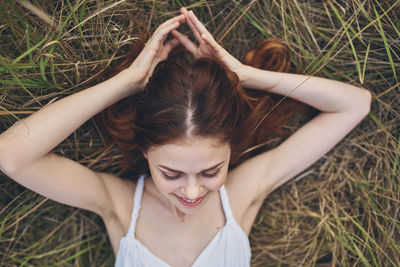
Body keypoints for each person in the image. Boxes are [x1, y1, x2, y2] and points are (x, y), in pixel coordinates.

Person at [0, 7, 371, 267]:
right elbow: (12, 155)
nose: (192, 193)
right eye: (172, 174)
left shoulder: (239, 197)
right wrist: (127, 83)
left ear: (230, 152)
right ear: (146, 152)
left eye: (211, 172)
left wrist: (244, 75)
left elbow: (355, 105)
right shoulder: (119, 205)